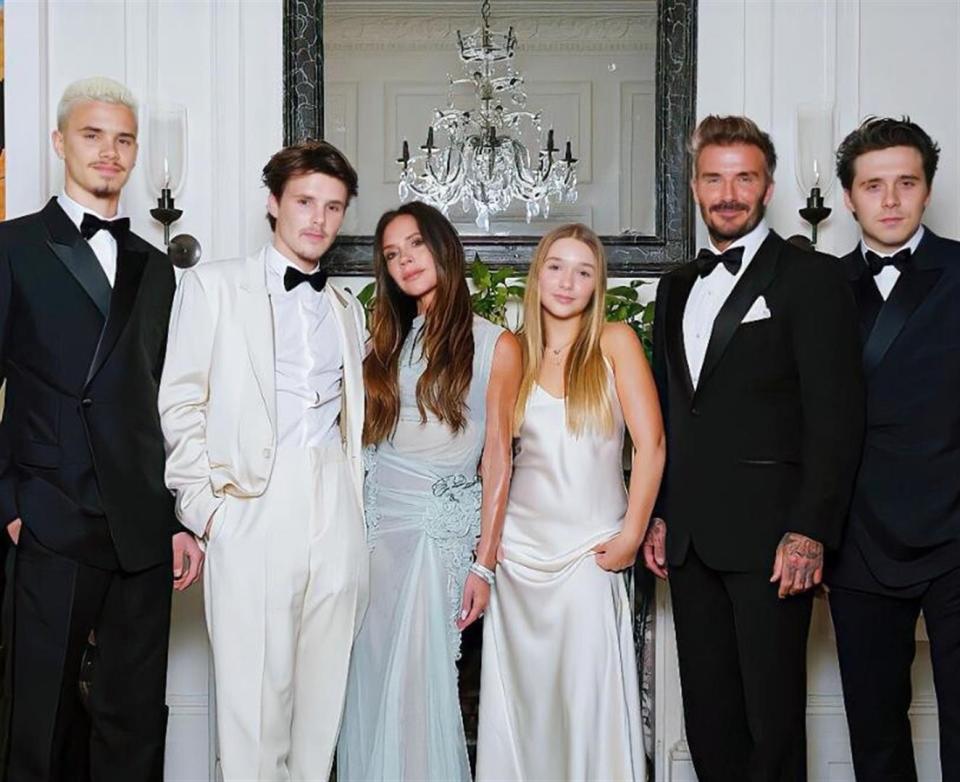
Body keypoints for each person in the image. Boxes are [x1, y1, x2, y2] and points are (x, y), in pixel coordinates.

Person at [641, 115, 864, 781]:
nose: (728, 193)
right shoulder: (675, 286)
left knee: (773, 726)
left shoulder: (811, 277)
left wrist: (810, 530)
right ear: (694, 186)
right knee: (710, 722)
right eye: (714, 178)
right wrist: (661, 512)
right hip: (689, 542)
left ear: (767, 187)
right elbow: (673, 413)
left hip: (774, 540)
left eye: (744, 178)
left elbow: (836, 415)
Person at [0, 76, 202, 782]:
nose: (109, 152)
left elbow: (167, 402)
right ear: (60, 143)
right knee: (36, 722)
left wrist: (179, 518)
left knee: (133, 721)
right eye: (92, 135)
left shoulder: (157, 267)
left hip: (141, 525)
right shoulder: (13, 246)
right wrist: (9, 503)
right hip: (51, 514)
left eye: (123, 139)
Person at [159, 140, 368, 781]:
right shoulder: (213, 286)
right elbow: (181, 402)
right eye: (305, 202)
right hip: (252, 503)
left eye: (333, 207)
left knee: (323, 696)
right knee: (253, 702)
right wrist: (207, 512)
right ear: (274, 203)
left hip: (334, 503)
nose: (319, 219)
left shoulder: (347, 308)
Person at [337, 200, 521, 781]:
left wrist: (484, 565)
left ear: (443, 247)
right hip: (372, 532)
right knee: (368, 682)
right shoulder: (383, 341)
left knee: (419, 688)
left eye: (415, 245)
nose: (405, 261)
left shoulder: (496, 344)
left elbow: (498, 458)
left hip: (433, 535)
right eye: (392, 254)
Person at [475, 224, 664, 781]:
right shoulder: (512, 352)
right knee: (526, 713)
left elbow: (652, 445)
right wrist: (488, 551)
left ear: (597, 284)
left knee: (586, 705)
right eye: (556, 267)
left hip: (588, 555)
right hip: (518, 561)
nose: (567, 282)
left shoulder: (615, 341)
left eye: (583, 272)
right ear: (537, 276)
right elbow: (493, 458)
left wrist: (630, 536)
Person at [828, 117, 960, 781]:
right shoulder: (821, 286)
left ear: (927, 190)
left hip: (955, 530)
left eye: (905, 183)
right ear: (848, 197)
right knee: (875, 726)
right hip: (859, 536)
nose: (890, 200)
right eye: (873, 185)